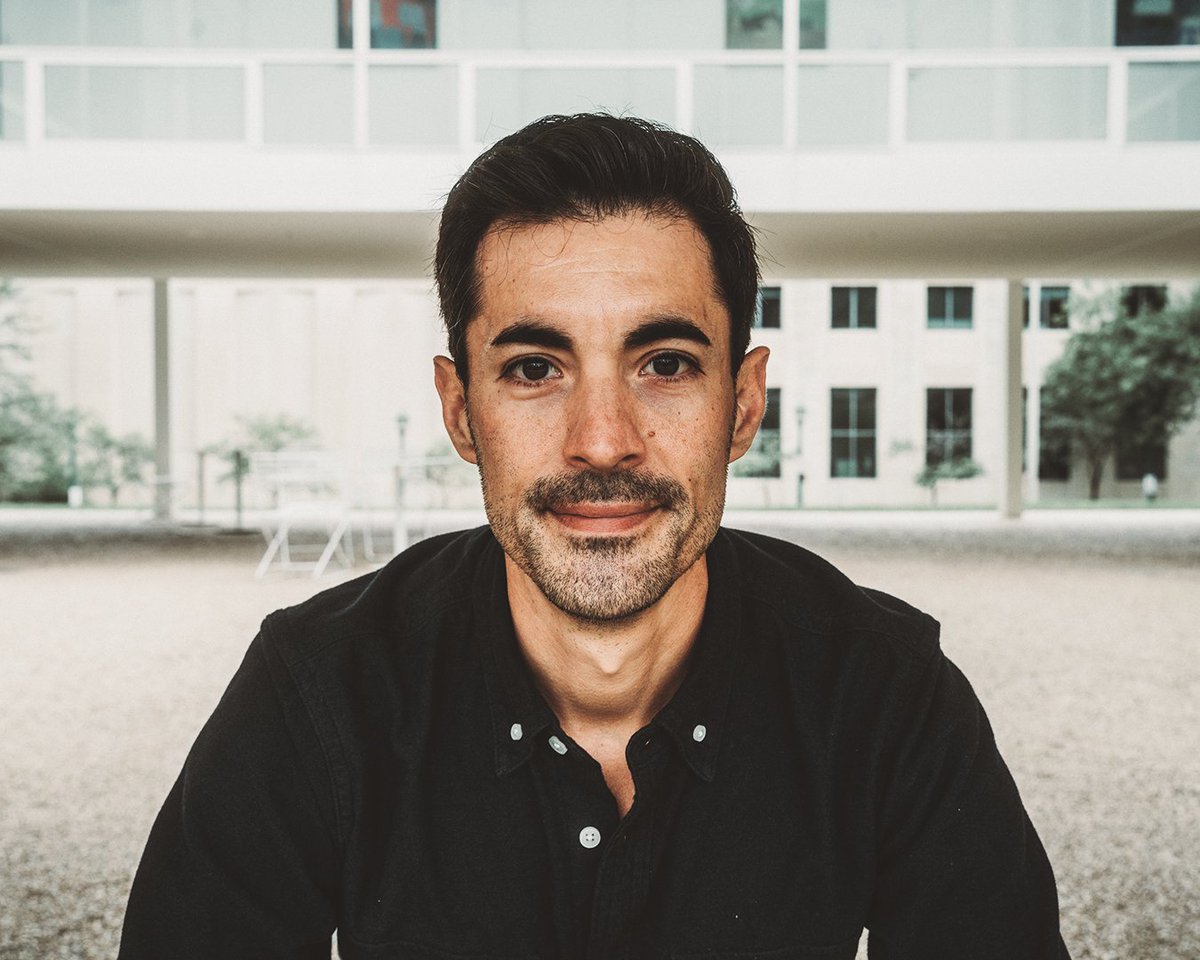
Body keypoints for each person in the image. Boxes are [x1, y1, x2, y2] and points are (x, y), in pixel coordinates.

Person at [118, 113, 1070, 959]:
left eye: (666, 363)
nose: (603, 440)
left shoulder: (885, 689)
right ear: (460, 410)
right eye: (535, 368)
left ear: (744, 404)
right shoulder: (320, 689)